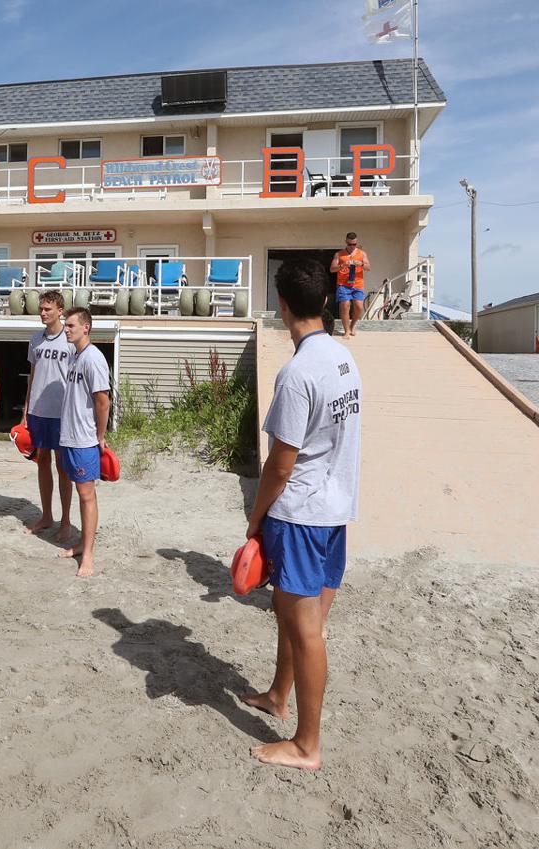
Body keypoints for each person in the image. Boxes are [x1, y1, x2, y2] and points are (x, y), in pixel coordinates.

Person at [242, 258, 362, 771]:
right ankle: (277, 693)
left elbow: (280, 463)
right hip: (335, 512)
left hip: (301, 516)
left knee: (306, 629)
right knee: (297, 620)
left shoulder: (297, 374)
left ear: (282, 304)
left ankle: (307, 745)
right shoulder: (343, 358)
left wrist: (255, 518)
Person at [57, 307, 111, 577]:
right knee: (80, 494)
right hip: (69, 436)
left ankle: (88, 554)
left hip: (84, 440)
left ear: (86, 327)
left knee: (87, 495)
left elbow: (103, 401)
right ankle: (81, 543)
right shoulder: (74, 356)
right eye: (65, 326)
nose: (66, 329)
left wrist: (99, 437)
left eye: (70, 326)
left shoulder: (93, 359)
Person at [21, 290, 74, 540]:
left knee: (63, 467)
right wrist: (25, 410)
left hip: (62, 413)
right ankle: (46, 515)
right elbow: (33, 375)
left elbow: (78, 379)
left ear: (60, 311)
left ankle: (65, 521)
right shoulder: (35, 340)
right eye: (41, 309)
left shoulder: (71, 339)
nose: (43, 313)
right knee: (42, 461)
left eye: (48, 309)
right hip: (38, 412)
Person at [330, 231, 371, 338]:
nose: (352, 246)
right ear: (346, 242)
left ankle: (352, 325)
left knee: (359, 307)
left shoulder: (362, 253)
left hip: (357, 284)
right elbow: (332, 269)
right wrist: (342, 265)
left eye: (354, 244)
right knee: (345, 306)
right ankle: (346, 330)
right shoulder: (339, 254)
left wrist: (361, 264)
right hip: (343, 285)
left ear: (356, 243)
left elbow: (368, 268)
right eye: (350, 244)